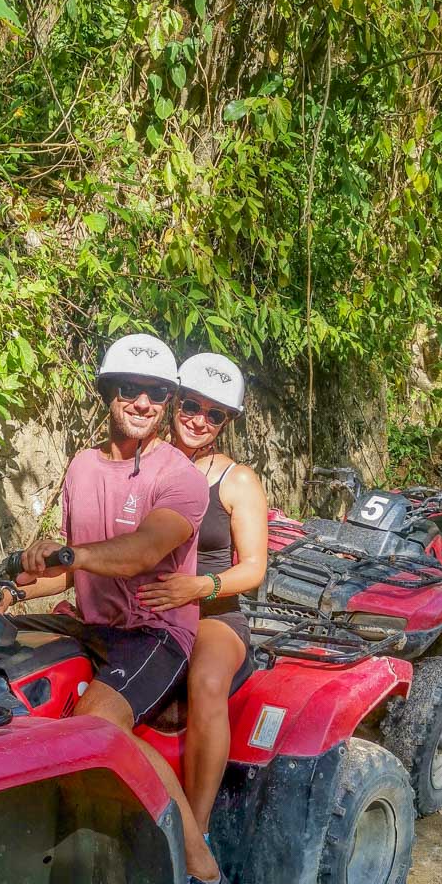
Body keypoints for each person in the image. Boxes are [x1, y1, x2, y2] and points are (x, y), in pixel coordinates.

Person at [14, 334, 240, 884]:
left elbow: (143, 552)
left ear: (167, 402)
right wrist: (12, 589)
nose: (143, 402)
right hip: (92, 626)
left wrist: (72, 555)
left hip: (154, 634)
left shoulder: (182, 478)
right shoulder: (82, 467)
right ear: (108, 393)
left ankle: (204, 877)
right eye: (131, 390)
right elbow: (66, 568)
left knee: (95, 726)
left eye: (157, 394)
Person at [137, 353, 269, 839]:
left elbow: (253, 567)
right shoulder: (145, 465)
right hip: (151, 604)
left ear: (226, 422)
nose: (198, 420)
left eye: (214, 414)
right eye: (191, 405)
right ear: (174, 404)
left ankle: (198, 829)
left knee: (207, 681)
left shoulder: (237, 480)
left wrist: (201, 587)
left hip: (214, 610)